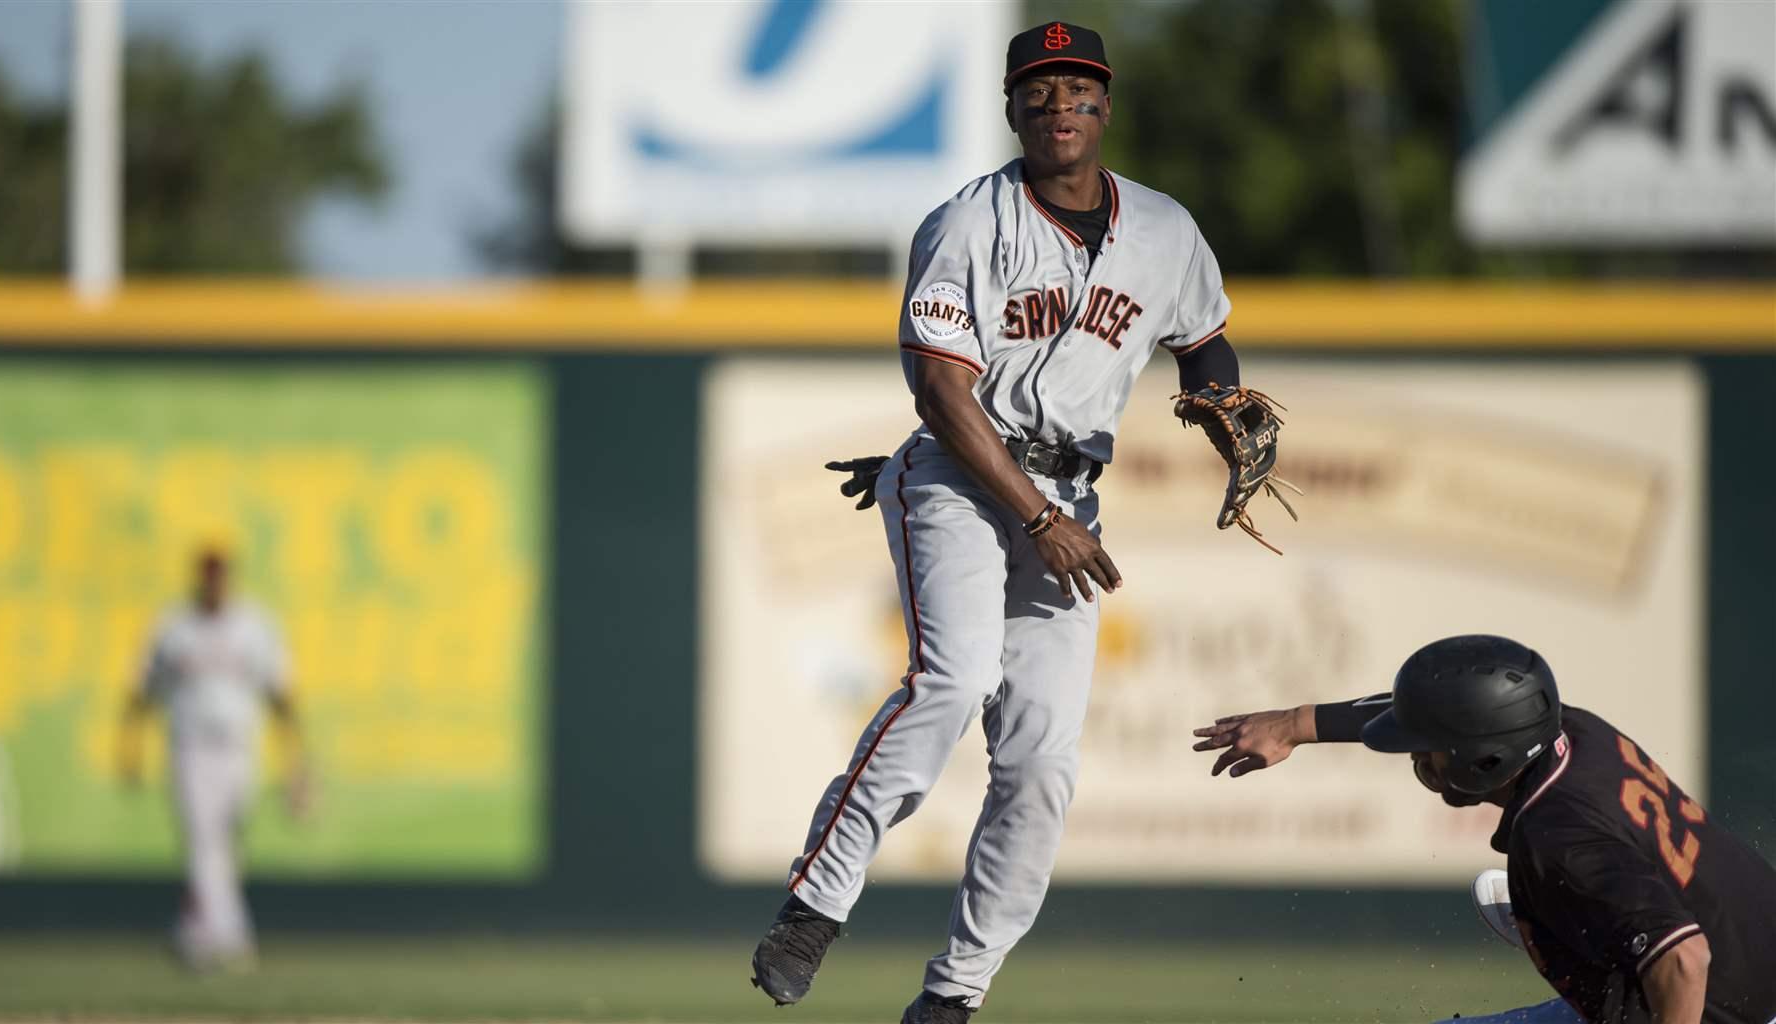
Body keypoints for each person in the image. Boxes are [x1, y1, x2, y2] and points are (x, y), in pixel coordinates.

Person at [750, 20, 1286, 1023]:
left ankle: (953, 994)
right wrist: (1038, 516)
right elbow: (941, 396)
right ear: (1011, 110)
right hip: (964, 477)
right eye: (1036, 90)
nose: (1058, 105)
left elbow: (1204, 342)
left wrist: (1219, 401)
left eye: (1076, 87)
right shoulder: (964, 223)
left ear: (1105, 105)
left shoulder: (1163, 229)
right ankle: (816, 900)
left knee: (1040, 761)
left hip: (1071, 496)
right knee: (950, 682)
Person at [1192, 635, 1776, 1024]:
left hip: (1710, 1000)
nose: (1415, 756)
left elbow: (1682, 961)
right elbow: (1430, 708)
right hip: (1747, 943)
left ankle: (1573, 924)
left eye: (1427, 748)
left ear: (1484, 759)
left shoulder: (1558, 838)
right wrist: (1298, 724)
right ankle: (1574, 924)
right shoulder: (1570, 730)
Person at [117, 547, 309, 971]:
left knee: (229, 838)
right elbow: (142, 692)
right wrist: (130, 748)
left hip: (239, 747)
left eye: (221, 576)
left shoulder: (255, 626)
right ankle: (230, 933)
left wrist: (297, 762)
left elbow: (281, 696)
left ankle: (195, 928)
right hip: (190, 746)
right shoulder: (174, 627)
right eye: (208, 576)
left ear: (231, 579)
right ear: (198, 578)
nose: (214, 584)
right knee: (204, 839)